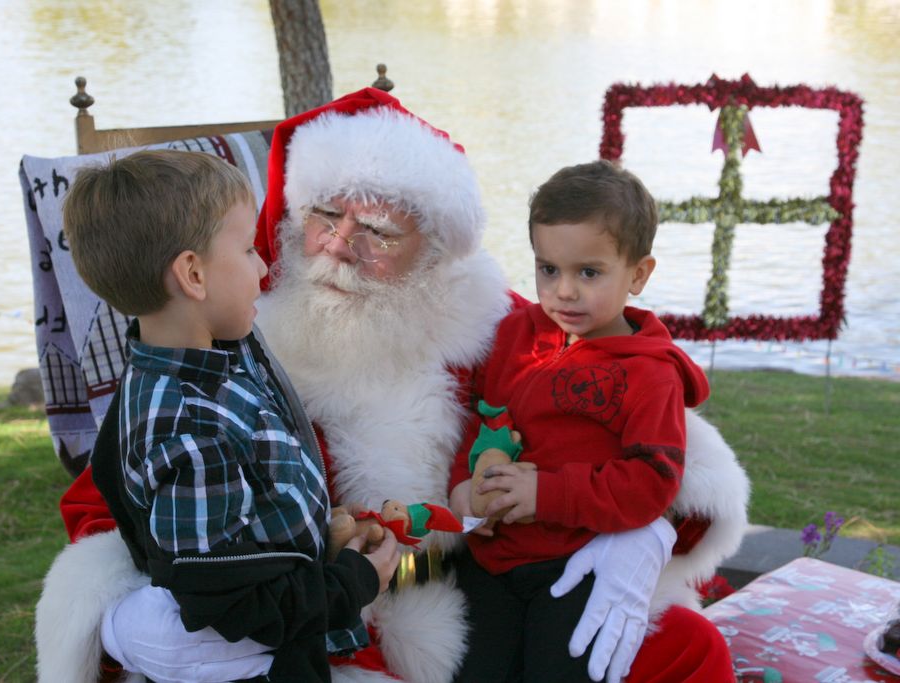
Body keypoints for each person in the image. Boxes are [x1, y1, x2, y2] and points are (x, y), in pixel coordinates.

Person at [36, 89, 749, 683]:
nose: (342, 244)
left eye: (378, 227)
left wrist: (647, 531)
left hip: (471, 585)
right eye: (322, 216)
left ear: (435, 251)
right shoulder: (236, 329)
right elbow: (117, 496)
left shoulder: (486, 322)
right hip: (307, 616)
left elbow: (631, 399)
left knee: (687, 650)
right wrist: (127, 612)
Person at [58, 149, 400, 682]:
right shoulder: (185, 430)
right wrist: (353, 582)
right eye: (246, 250)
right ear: (193, 274)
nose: (263, 267)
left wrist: (313, 539)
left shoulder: (218, 347)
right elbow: (236, 605)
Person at [448, 160, 717, 682]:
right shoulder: (514, 337)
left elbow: (650, 483)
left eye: (588, 272)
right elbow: (484, 420)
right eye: (548, 269)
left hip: (573, 567)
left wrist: (545, 494)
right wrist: (465, 486)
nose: (564, 291)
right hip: (490, 561)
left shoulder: (648, 375)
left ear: (638, 274)